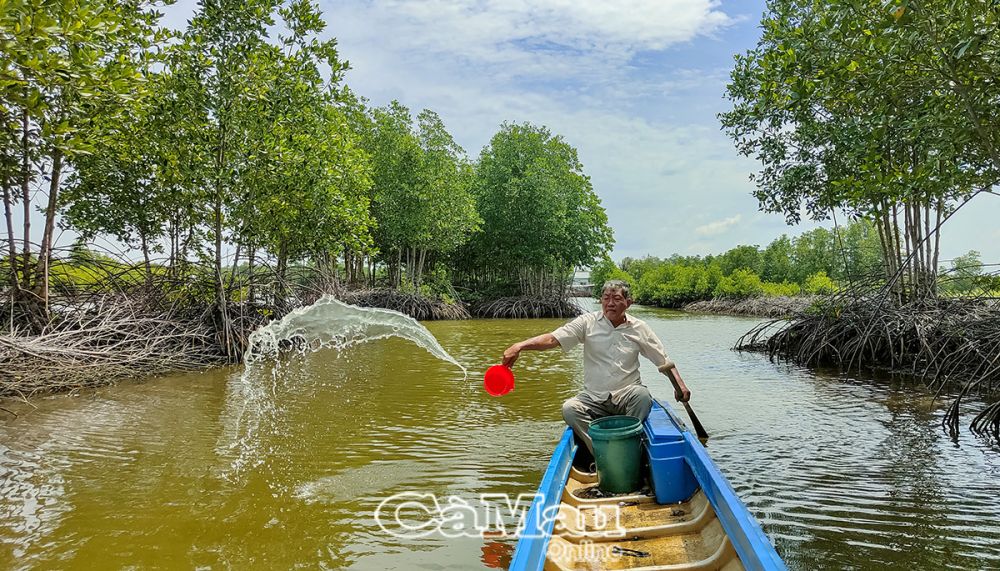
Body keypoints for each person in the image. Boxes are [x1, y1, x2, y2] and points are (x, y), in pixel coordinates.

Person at [501, 280, 691, 460]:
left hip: (627, 394)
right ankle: (601, 453)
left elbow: (663, 360)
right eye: (606, 298)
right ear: (600, 300)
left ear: (628, 303)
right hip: (593, 398)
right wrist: (520, 345)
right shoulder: (587, 322)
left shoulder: (639, 328)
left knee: (642, 396)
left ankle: (628, 447)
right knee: (569, 409)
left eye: (617, 299)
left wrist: (679, 385)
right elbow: (553, 339)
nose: (610, 303)